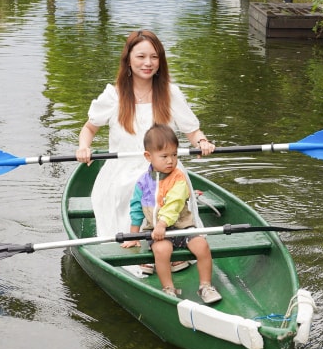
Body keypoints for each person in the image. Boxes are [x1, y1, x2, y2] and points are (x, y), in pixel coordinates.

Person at [75, 28, 216, 247]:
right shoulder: (114, 95)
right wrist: (84, 147)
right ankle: (137, 243)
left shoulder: (170, 93)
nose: (147, 63)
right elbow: (89, 128)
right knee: (138, 186)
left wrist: (202, 142)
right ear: (128, 60)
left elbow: (193, 131)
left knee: (172, 184)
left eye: (153, 57)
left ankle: (173, 242)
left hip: (165, 168)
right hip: (123, 172)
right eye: (141, 57)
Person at [123, 124, 222, 303]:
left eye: (174, 155)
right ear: (148, 156)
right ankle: (168, 288)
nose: (171, 161)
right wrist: (134, 235)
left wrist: (162, 223)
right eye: (164, 156)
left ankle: (205, 286)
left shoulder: (178, 178)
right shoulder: (143, 183)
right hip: (158, 232)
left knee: (202, 246)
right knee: (162, 250)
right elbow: (136, 208)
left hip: (183, 227)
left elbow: (174, 204)